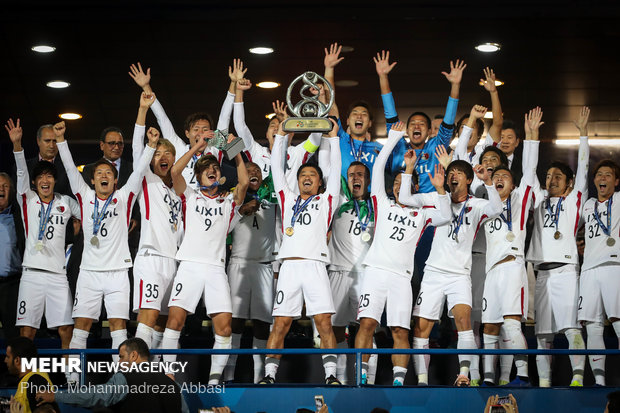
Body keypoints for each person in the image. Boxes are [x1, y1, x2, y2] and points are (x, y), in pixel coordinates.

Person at [55, 115, 158, 378]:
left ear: (115, 181)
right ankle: (73, 381)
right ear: (91, 180)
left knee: (118, 328)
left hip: (118, 274)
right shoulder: (85, 195)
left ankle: (118, 382)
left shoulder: (124, 197)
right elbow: (68, 169)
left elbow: (138, 172)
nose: (103, 175)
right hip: (89, 272)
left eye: (108, 173)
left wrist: (150, 146)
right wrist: (61, 141)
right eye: (99, 173)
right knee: (81, 327)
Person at [356, 121, 451, 386]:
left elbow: (446, 215)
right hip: (375, 272)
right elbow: (376, 169)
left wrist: (441, 189)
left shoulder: (421, 214)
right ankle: (361, 373)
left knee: (399, 330)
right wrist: (393, 139)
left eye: (404, 183)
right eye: (396, 182)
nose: (399, 187)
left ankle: (399, 382)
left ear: (415, 188)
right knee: (367, 324)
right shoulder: (382, 202)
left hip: (401, 278)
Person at [160, 130, 248, 385]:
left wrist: (237, 151)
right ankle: (168, 375)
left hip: (215, 270)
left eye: (215, 168)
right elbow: (175, 173)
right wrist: (197, 146)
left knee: (225, 328)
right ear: (198, 176)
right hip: (189, 267)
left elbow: (243, 183)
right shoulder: (189, 196)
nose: (212, 170)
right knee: (175, 321)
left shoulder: (229, 201)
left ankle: (214, 379)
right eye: (206, 169)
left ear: (220, 176)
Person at [259, 120, 341, 385]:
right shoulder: (287, 197)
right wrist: (281, 138)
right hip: (289, 269)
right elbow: (275, 168)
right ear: (297, 181)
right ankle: (269, 376)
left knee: (324, 323)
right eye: (303, 175)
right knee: (280, 324)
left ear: (320, 183)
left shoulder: (328, 200)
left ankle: (330, 376)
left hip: (316, 266)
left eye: (313, 175)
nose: (307, 177)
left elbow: (336, 167)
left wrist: (334, 139)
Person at [411, 155, 502, 385]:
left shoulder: (476, 205)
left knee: (464, 321)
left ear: (469, 179)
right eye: (450, 172)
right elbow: (407, 197)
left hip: (460, 274)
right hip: (433, 272)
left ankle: (463, 374)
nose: (453, 175)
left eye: (459, 173)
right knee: (422, 326)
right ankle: (422, 380)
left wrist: (488, 181)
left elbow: (497, 208)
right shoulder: (437, 198)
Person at [527, 106, 591, 387]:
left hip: (566, 270)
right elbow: (529, 172)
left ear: (569, 184)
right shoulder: (538, 200)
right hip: (542, 273)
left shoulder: (575, 200)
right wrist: (532, 136)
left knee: (570, 327)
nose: (551, 180)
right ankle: (544, 382)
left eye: (557, 177)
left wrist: (583, 135)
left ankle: (578, 375)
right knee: (542, 334)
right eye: (549, 176)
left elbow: (585, 167)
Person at [480, 107, 543, 387]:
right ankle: (489, 378)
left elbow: (529, 169)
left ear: (513, 183)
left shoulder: (520, 198)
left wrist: (531, 136)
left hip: (512, 265)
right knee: (490, 326)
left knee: (512, 323)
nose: (499, 179)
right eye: (496, 177)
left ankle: (524, 376)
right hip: (491, 271)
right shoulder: (486, 205)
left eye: (505, 176)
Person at [6, 118, 80, 356]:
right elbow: (20, 171)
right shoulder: (27, 200)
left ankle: (71, 380)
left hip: (58, 276)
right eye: (40, 178)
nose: (45, 181)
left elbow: (90, 212)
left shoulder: (66, 202)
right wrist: (17, 145)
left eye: (49, 177)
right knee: (27, 332)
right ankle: (25, 379)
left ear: (54, 180)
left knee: (67, 329)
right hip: (32, 276)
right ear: (34, 183)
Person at [129, 60, 240, 186]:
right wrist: (146, 87)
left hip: (208, 203)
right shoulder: (179, 148)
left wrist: (233, 84)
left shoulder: (214, 149)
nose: (201, 133)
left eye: (205, 129)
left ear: (211, 133)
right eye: (196, 129)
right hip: (181, 203)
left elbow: (225, 117)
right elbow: (162, 119)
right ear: (187, 133)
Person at [130, 93, 183, 353]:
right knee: (149, 318)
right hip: (151, 258)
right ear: (152, 160)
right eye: (157, 153)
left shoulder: (180, 193)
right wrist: (142, 110)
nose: (162, 156)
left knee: (164, 323)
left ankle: (160, 375)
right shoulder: (147, 182)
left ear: (174, 160)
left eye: (168, 153)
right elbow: (136, 151)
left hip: (173, 262)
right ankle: (135, 375)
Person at [224, 160, 277, 383]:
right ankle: (227, 376)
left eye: (257, 170)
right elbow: (223, 227)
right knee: (234, 322)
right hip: (239, 264)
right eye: (249, 170)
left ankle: (259, 379)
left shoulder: (272, 196)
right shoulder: (232, 196)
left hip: (265, 265)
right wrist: (240, 210)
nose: (253, 172)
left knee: (262, 324)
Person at [36, 338, 188, 413]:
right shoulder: (173, 385)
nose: (119, 362)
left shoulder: (125, 378)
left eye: (121, 357)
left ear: (134, 355)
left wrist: (57, 396)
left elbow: (95, 396)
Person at [322, 44, 395, 177]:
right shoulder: (340, 139)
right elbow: (330, 104)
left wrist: (383, 77)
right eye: (355, 114)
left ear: (370, 123)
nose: (359, 116)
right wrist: (329, 69)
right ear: (348, 121)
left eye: (364, 114)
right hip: (343, 198)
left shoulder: (379, 149)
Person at [578, 158, 620, 386]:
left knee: (618, 320)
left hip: (615, 267)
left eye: (608, 175)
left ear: (616, 181)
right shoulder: (588, 205)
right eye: (599, 175)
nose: (602, 178)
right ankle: (599, 381)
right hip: (589, 271)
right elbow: (571, 228)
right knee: (592, 325)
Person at [453, 67, 504, 166]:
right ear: (458, 133)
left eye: (472, 127)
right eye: (463, 127)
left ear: (480, 135)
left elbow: (498, 124)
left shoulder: (485, 152)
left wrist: (493, 93)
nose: (467, 130)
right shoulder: (451, 157)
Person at [4, 336, 56, 413]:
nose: (5, 360)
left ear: (17, 360)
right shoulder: (29, 379)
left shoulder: (35, 380)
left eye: (8, 357)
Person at [0, 172, 24, 339]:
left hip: (12, 285)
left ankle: (13, 365)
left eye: (5, 186)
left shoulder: (20, 218)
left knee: (12, 335)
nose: (1, 189)